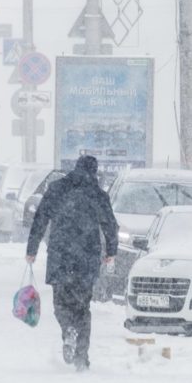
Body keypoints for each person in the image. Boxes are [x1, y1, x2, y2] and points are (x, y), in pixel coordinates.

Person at [25, 155, 118, 371]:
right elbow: (110, 225)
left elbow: (40, 218)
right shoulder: (97, 194)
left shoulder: (57, 188)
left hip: (61, 255)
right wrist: (111, 252)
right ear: (94, 172)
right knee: (82, 308)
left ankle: (68, 329)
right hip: (86, 257)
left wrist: (32, 249)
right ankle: (81, 359)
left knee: (60, 303)